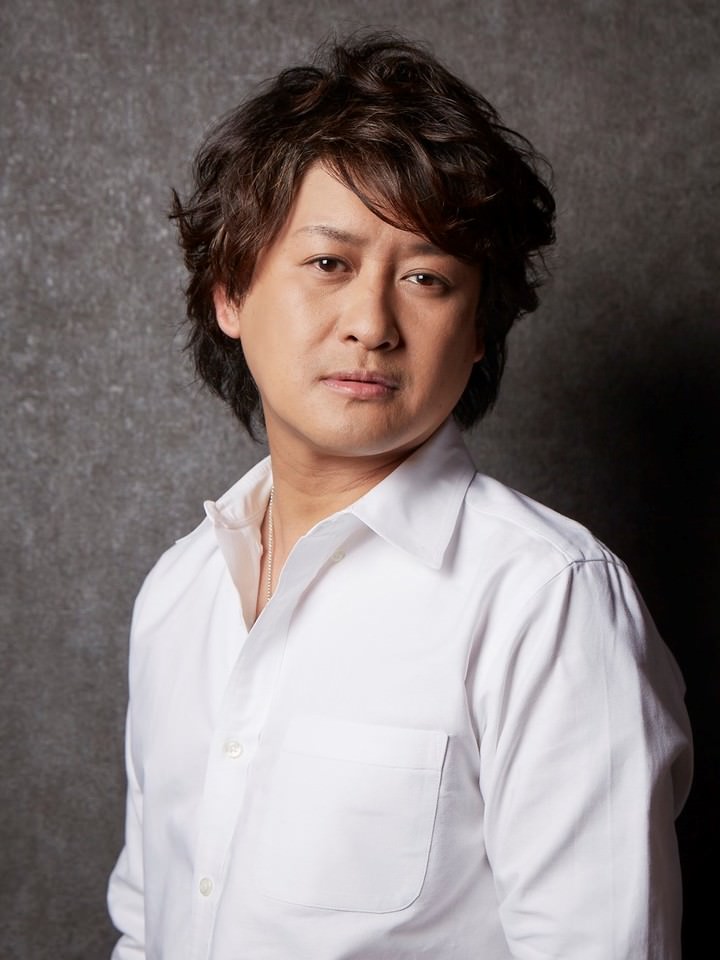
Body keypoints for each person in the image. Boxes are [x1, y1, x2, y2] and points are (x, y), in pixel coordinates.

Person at [107, 32, 692, 960]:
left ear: (478, 331)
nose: (372, 324)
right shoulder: (177, 595)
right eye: (329, 264)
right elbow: (147, 930)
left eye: (426, 278)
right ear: (230, 293)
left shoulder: (547, 600)